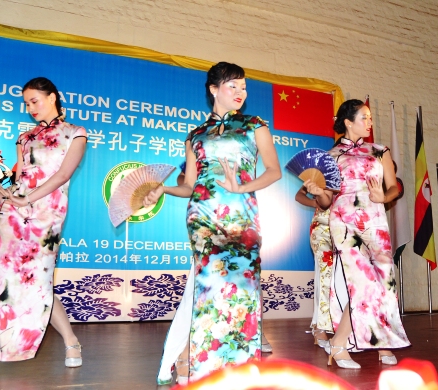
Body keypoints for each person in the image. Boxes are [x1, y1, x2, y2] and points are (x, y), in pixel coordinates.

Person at [144, 62, 281, 381]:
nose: (240, 92)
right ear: (214, 89)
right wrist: (162, 188)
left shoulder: (254, 125)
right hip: (203, 218)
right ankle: (204, 369)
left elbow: (273, 171)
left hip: (241, 216)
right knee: (207, 289)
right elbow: (190, 185)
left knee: (242, 289)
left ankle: (240, 369)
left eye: (244, 87)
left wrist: (241, 186)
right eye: (233, 86)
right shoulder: (196, 136)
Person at [0, 77, 87, 370]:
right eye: (26, 103)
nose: (30, 107)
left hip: (46, 217)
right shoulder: (25, 138)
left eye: (35, 100)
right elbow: (17, 182)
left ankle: (71, 341)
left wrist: (28, 198)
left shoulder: (75, 134)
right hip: (13, 215)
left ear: (53, 97)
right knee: (3, 281)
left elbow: (61, 177)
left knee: (39, 282)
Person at [305, 99, 410, 369]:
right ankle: (340, 343)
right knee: (362, 283)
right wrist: (319, 194)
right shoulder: (330, 156)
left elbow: (394, 188)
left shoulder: (380, 150)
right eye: (364, 117)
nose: (369, 122)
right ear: (348, 122)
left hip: (375, 220)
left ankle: (381, 343)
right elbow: (327, 201)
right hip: (344, 223)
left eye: (370, 117)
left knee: (385, 284)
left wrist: (383, 196)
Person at [157, 162, 273, 386]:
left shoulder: (244, 145)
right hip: (208, 222)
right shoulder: (204, 144)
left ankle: (227, 362)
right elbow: (186, 182)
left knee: (237, 297)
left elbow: (266, 177)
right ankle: (181, 357)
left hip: (240, 222)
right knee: (198, 295)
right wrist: (188, 187)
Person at [295, 186, 333, 348]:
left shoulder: (352, 164)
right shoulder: (323, 169)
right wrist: (315, 202)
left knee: (342, 278)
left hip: (347, 225)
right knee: (325, 275)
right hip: (323, 227)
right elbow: (299, 195)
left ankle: (339, 324)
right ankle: (320, 327)